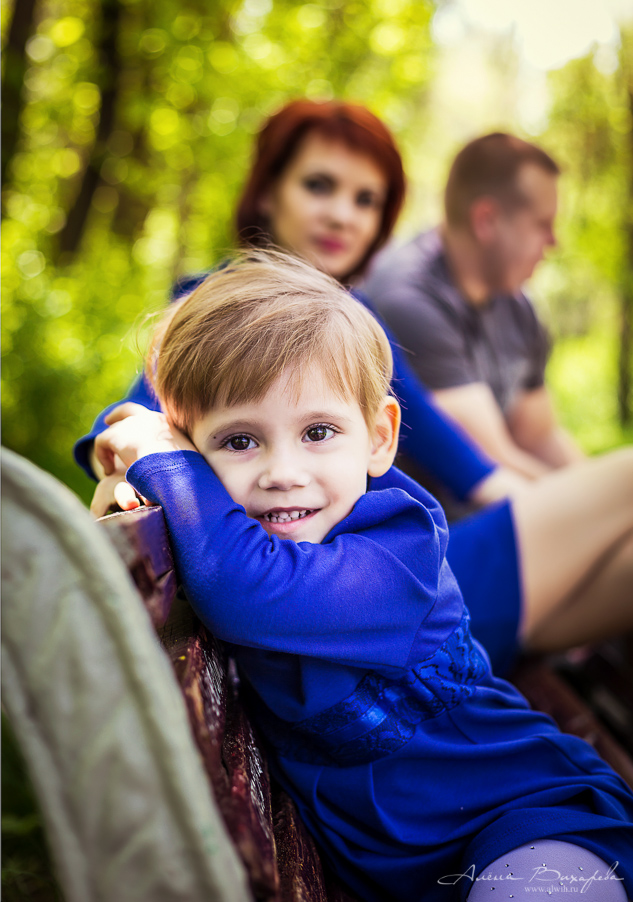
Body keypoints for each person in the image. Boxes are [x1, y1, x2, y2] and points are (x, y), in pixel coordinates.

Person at [93, 254, 633, 902]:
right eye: (240, 441)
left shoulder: (399, 552)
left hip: (520, 820)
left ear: (378, 437)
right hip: (397, 864)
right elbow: (118, 501)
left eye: (318, 431)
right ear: (197, 451)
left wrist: (161, 457)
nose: (281, 471)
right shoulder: (241, 539)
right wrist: (135, 462)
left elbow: (247, 594)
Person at [75, 100, 633, 678]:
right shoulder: (217, 311)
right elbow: (117, 431)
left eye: (366, 200)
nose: (344, 215)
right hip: (359, 599)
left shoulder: (356, 325)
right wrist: (126, 457)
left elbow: (474, 470)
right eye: (320, 186)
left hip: (389, 593)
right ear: (269, 192)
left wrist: (576, 531)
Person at [364, 132, 583, 479]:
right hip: (434, 524)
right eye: (543, 224)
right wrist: (605, 506)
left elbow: (540, 436)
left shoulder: (519, 307)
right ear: (486, 220)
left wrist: (602, 490)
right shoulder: (408, 301)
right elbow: (492, 462)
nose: (554, 242)